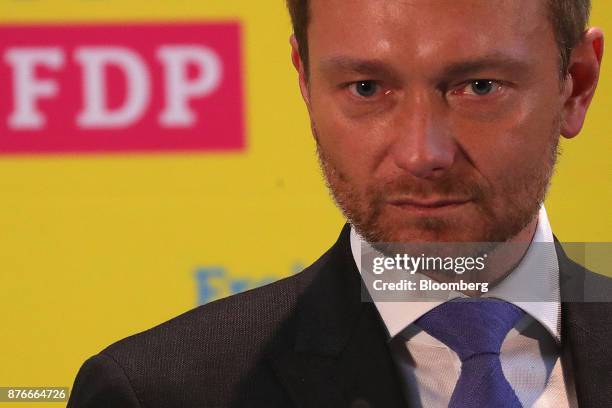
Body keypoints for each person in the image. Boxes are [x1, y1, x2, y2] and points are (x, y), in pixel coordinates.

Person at [68, 0, 611, 407]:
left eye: (480, 86)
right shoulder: (157, 393)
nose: (423, 154)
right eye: (367, 88)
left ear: (576, 84)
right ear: (304, 81)